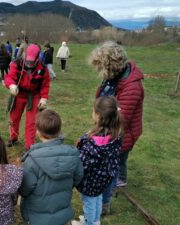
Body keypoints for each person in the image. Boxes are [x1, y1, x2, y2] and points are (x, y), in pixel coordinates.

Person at [89, 41, 144, 214]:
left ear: (111, 66)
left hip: (122, 132)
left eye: (101, 67)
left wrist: (96, 131)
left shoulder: (132, 86)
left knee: (116, 160)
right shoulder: (112, 78)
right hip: (107, 127)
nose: (99, 72)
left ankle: (113, 186)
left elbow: (121, 118)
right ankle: (117, 180)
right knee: (116, 159)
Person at [20, 109, 83, 225]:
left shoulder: (32, 160)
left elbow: (25, 189)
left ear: (38, 132)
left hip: (36, 217)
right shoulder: (73, 155)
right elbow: (78, 178)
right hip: (62, 212)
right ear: (59, 131)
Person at [72, 96, 122, 225]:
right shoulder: (116, 134)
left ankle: (90, 222)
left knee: (89, 202)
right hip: (104, 178)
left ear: (98, 115)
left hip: (91, 181)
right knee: (97, 199)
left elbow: (82, 163)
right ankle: (95, 220)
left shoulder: (91, 143)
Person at [4, 44, 50, 150]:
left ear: (38, 58)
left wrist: (44, 98)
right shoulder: (16, 63)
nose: (29, 64)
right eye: (27, 61)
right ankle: (13, 137)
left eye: (31, 62)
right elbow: (9, 77)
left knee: (32, 121)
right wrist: (11, 85)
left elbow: (45, 84)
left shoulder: (43, 68)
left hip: (34, 95)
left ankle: (29, 145)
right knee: (14, 117)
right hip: (19, 93)